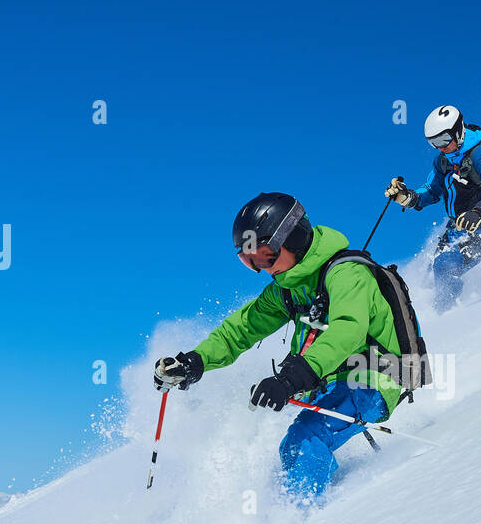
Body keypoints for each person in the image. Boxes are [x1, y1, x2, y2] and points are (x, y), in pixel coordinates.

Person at [152, 193, 408, 503]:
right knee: (295, 439)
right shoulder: (287, 288)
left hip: (375, 377)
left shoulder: (347, 274)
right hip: (330, 380)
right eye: (250, 261)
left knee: (303, 440)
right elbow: (241, 329)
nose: (262, 268)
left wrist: (293, 378)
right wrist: (194, 362)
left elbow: (348, 330)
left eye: (265, 255)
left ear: (295, 237)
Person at [385, 105, 481, 312]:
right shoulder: (443, 162)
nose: (440, 147)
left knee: (444, 268)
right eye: (434, 143)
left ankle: (447, 318)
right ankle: (427, 312)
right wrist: (407, 197)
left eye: (443, 140)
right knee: (430, 275)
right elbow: (431, 191)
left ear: (458, 131)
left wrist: (478, 212)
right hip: (458, 227)